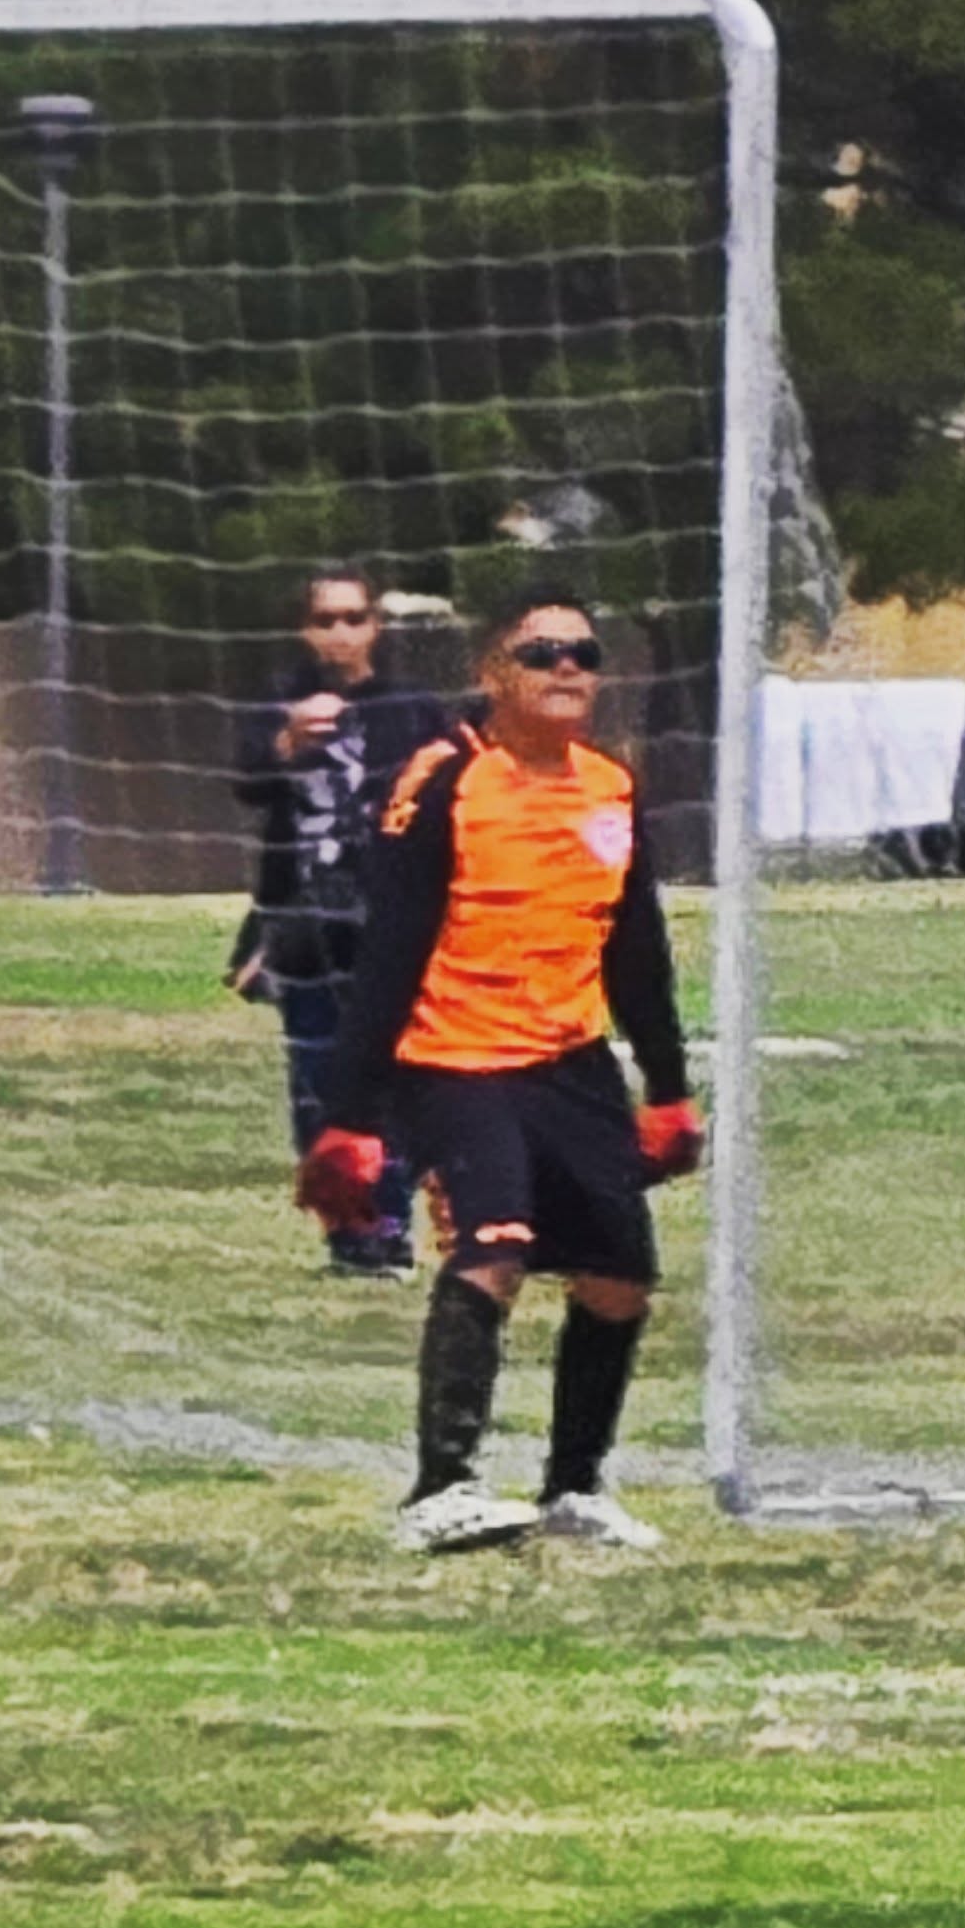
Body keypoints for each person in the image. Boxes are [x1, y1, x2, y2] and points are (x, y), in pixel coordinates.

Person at [294, 588, 704, 1553]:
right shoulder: (444, 779)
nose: (567, 669)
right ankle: (440, 1491)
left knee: (619, 1277)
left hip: (570, 1061)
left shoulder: (611, 786)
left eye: (584, 655)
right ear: (492, 673)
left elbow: (636, 951)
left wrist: (668, 1091)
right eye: (542, 652)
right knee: (496, 1247)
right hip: (455, 1059)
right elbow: (390, 952)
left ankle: (574, 1490)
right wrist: (350, 1118)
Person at [227, 568, 450, 1277]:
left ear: (375, 626)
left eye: (354, 617)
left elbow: (452, 797)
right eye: (325, 620)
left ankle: (389, 1227)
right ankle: (347, 1231)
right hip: (304, 922)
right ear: (305, 629)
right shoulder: (278, 702)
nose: (341, 633)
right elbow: (247, 785)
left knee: (394, 1073)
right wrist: (288, 743)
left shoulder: (413, 708)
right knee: (316, 1077)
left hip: (392, 920)